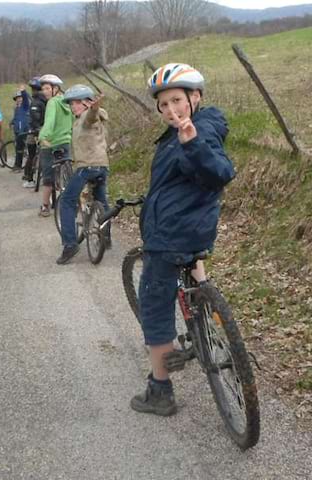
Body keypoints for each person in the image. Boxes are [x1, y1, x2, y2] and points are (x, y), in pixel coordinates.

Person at [131, 63, 235, 417]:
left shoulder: (197, 132)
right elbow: (175, 183)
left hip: (171, 234)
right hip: (192, 227)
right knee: (194, 274)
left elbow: (220, 172)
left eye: (177, 99)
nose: (170, 110)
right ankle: (211, 326)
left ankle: (160, 390)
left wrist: (192, 144)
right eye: (163, 104)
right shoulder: (191, 128)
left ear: (195, 97)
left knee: (154, 308)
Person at [56, 85, 110, 265]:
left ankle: (70, 245)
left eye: (78, 103)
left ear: (87, 103)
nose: (74, 107)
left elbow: (91, 117)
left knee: (66, 201)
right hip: (101, 166)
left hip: (87, 167)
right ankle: (105, 237)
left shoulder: (89, 116)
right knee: (101, 202)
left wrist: (93, 108)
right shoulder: (79, 120)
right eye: (72, 104)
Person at [37, 74, 72, 216]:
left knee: (48, 178)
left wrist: (42, 136)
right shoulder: (69, 102)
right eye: (43, 89)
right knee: (68, 176)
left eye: (47, 88)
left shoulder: (52, 103)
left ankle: (45, 207)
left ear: (55, 88)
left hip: (50, 143)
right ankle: (73, 204)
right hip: (65, 142)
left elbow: (49, 123)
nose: (44, 91)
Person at [22, 76, 48, 188]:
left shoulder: (36, 102)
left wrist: (36, 129)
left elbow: (34, 119)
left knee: (31, 155)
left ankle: (29, 178)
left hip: (35, 131)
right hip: (46, 130)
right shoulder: (47, 100)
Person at [9, 86, 30, 172]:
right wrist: (12, 122)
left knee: (21, 149)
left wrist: (23, 92)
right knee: (18, 149)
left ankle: (19, 166)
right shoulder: (16, 108)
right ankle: (17, 165)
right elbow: (16, 118)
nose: (19, 100)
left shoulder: (25, 106)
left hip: (24, 130)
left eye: (20, 98)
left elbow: (26, 99)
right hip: (17, 130)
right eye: (17, 98)